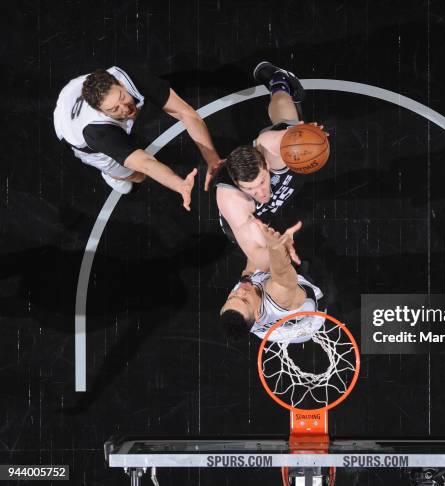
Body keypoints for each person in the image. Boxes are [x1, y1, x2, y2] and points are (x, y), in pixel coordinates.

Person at [53, 66, 223, 210]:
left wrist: (212, 159)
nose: (125, 108)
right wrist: (179, 185)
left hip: (72, 89)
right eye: (114, 109)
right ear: (102, 112)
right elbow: (145, 164)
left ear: (120, 84)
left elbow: (185, 112)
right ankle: (112, 175)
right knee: (138, 176)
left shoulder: (129, 77)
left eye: (122, 97)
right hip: (70, 129)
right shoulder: (97, 134)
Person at [213, 62, 327, 269]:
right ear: (237, 184)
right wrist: (276, 251)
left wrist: (309, 136)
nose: (260, 193)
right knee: (257, 266)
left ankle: (279, 82)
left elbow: (303, 136)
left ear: (265, 165)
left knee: (288, 122)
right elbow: (256, 255)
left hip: (282, 167)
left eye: (261, 182)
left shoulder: (269, 148)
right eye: (249, 189)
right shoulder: (231, 199)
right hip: (258, 220)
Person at [219, 220, 324, 343]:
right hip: (310, 321)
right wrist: (274, 245)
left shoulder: (236, 306)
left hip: (272, 332)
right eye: (245, 300)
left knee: (257, 254)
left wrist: (254, 239)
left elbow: (249, 272)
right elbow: (282, 270)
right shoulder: (278, 298)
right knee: (290, 264)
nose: (240, 291)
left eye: (232, 298)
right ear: (258, 313)